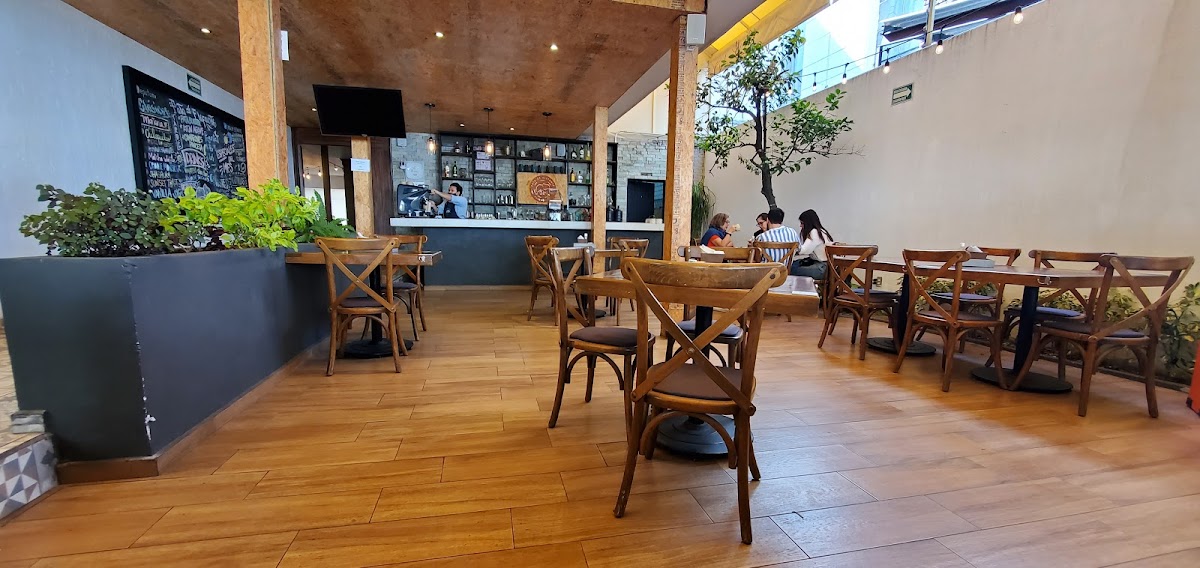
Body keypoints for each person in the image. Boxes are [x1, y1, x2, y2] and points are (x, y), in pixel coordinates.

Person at [792, 209, 833, 279]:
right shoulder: (821, 231)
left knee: (790, 269)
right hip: (824, 266)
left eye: (802, 223)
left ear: (808, 223)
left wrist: (792, 247)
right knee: (794, 264)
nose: (800, 226)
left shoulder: (814, 232)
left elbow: (804, 250)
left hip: (821, 268)